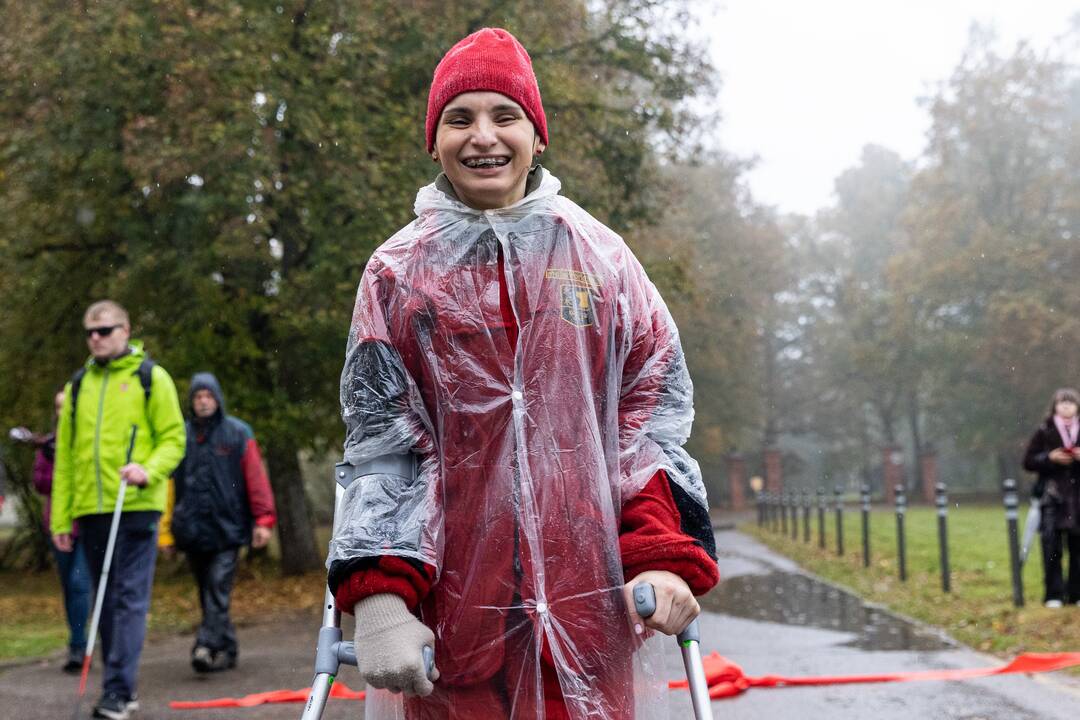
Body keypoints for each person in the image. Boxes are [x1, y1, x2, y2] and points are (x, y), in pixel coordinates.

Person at [327, 28, 719, 720]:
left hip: (586, 615)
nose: (484, 136)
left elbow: (649, 423)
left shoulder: (602, 261)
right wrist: (382, 595)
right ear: (434, 139)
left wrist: (662, 555)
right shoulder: (396, 275)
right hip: (453, 630)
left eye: (504, 115)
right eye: (460, 118)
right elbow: (382, 445)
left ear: (538, 134)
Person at [52, 300, 186, 720]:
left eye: (105, 330)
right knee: (105, 601)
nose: (96, 338)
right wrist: (61, 517)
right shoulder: (77, 387)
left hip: (135, 505)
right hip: (91, 509)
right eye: (90, 332)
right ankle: (120, 690)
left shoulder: (151, 378)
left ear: (125, 330)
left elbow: (173, 439)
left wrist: (148, 469)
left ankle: (116, 690)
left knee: (128, 598)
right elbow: (67, 459)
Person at [168, 372, 277, 673]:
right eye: (197, 397)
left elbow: (256, 479)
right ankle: (227, 648)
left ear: (217, 399)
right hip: (191, 529)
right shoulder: (180, 435)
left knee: (217, 586)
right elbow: (169, 486)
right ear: (191, 402)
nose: (203, 402)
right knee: (208, 592)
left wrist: (264, 519)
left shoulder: (238, 433)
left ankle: (205, 645)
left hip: (228, 529)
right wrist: (167, 533)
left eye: (208, 396)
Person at [30, 390, 93, 672]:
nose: (61, 411)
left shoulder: (91, 438)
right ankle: (78, 637)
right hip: (59, 525)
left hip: (88, 523)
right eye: (57, 407)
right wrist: (52, 460)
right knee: (70, 587)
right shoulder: (50, 445)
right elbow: (41, 484)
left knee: (81, 583)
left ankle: (80, 646)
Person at [1023, 387, 1080, 608]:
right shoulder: (1044, 431)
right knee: (1051, 546)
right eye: (1062, 402)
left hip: (1077, 498)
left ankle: (1076, 594)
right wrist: (1049, 457)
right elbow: (1028, 461)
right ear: (1055, 406)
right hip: (1052, 497)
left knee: (1078, 549)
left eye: (1071, 402)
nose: (1066, 406)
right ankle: (1053, 594)